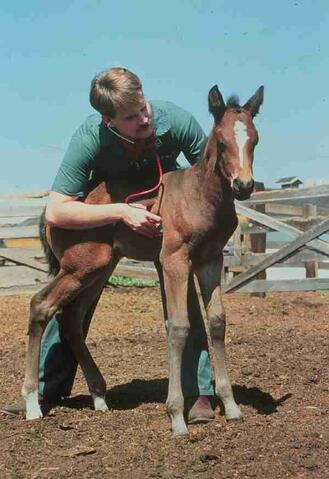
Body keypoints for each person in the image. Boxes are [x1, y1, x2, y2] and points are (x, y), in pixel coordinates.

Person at [3, 67, 215, 422]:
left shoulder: (176, 120)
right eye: (131, 118)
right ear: (108, 120)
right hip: (110, 210)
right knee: (75, 282)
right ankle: (47, 389)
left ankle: (197, 390)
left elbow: (211, 177)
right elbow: (56, 210)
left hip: (170, 208)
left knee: (182, 284)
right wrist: (121, 214)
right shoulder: (90, 136)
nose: (144, 119)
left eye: (144, 107)